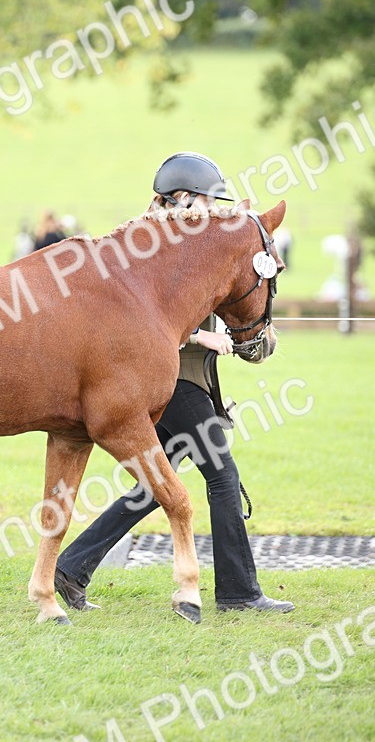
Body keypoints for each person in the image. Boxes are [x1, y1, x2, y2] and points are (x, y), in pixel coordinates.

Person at [54, 152, 294, 619]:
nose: (212, 207)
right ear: (183, 197)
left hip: (185, 381)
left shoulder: (188, 240)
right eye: (206, 198)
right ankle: (239, 592)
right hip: (177, 384)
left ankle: (73, 566)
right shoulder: (153, 247)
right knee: (223, 479)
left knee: (150, 485)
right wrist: (204, 335)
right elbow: (147, 321)